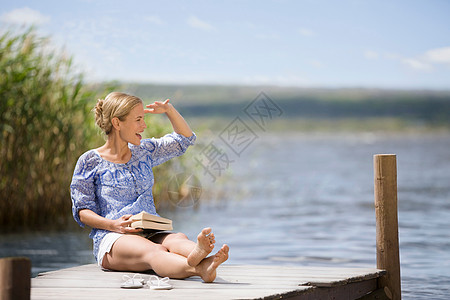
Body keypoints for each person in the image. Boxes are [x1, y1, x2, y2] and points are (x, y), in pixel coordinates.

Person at [70, 92, 229, 283]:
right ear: (117, 123)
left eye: (143, 119)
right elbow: (82, 210)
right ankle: (201, 266)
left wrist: (169, 110)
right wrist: (113, 225)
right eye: (138, 120)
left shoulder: (144, 151)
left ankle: (200, 254)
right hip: (113, 237)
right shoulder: (89, 161)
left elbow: (184, 139)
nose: (144, 126)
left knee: (176, 239)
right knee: (156, 251)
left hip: (151, 230)